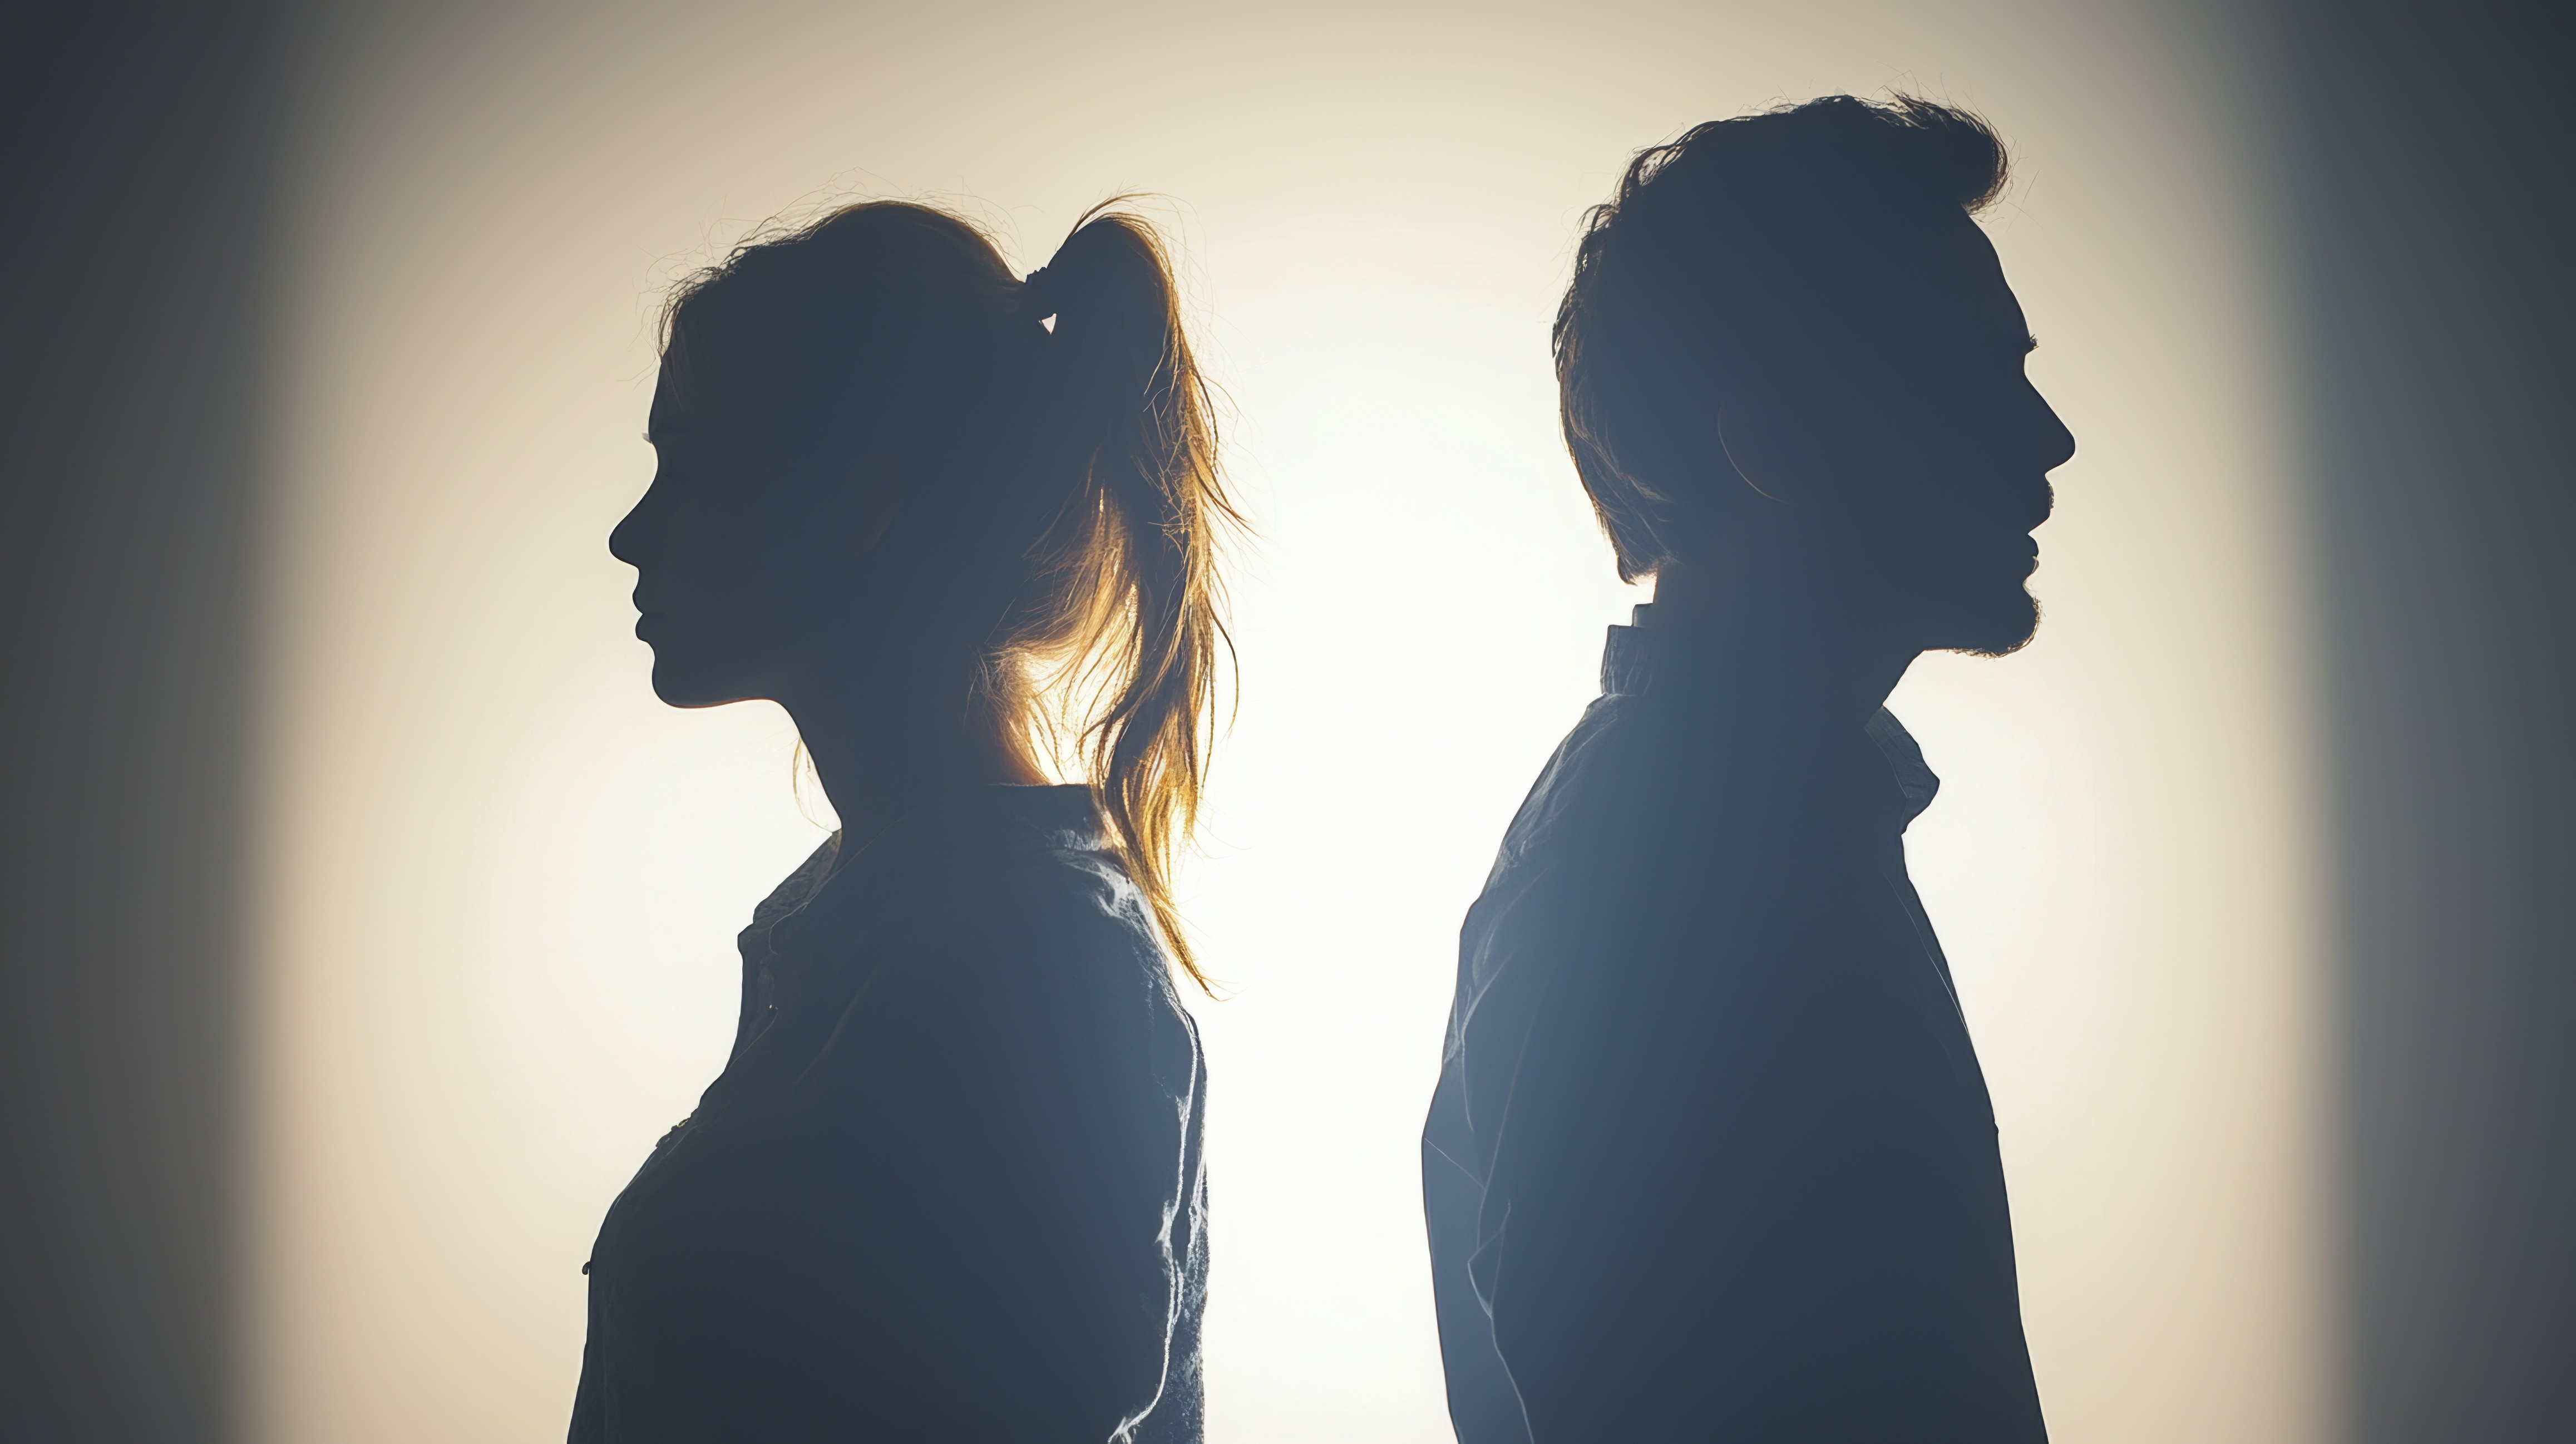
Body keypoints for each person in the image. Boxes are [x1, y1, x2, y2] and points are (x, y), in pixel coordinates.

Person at [1422, 96, 2077, 1442]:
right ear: (1773, 440)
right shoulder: (1663, 884)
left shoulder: (1753, 829)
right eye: (1972, 377)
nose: (2047, 435)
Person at [579, 199, 1234, 1443]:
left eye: (690, 467)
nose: (628, 534)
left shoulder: (1034, 968)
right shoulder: (876, 929)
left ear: (858, 505)